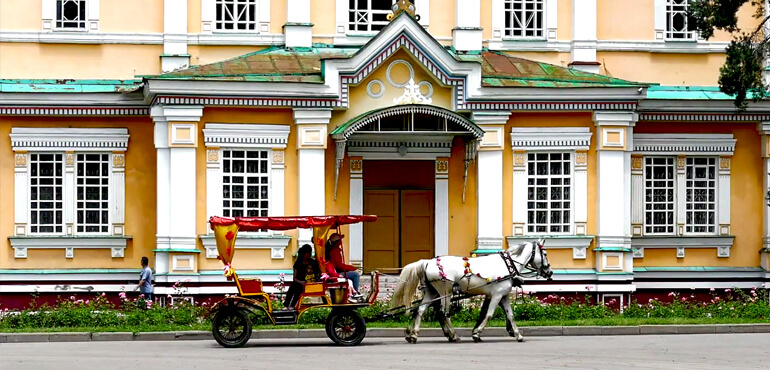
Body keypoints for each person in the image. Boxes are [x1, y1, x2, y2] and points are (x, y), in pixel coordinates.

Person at [325, 233, 363, 300]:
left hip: (338, 271)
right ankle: (355, 293)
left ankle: (353, 292)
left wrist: (350, 267)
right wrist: (351, 268)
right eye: (340, 240)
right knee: (355, 275)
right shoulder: (334, 252)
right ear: (337, 242)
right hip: (337, 273)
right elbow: (339, 265)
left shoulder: (336, 250)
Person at [283, 244, 320, 310]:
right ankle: (286, 305)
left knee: (298, 290)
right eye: (307, 253)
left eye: (310, 253)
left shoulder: (313, 262)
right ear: (303, 253)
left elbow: (318, 274)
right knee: (293, 287)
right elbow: (294, 278)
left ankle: (292, 305)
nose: (309, 254)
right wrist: (301, 282)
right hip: (299, 282)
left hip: (310, 283)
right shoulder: (298, 263)